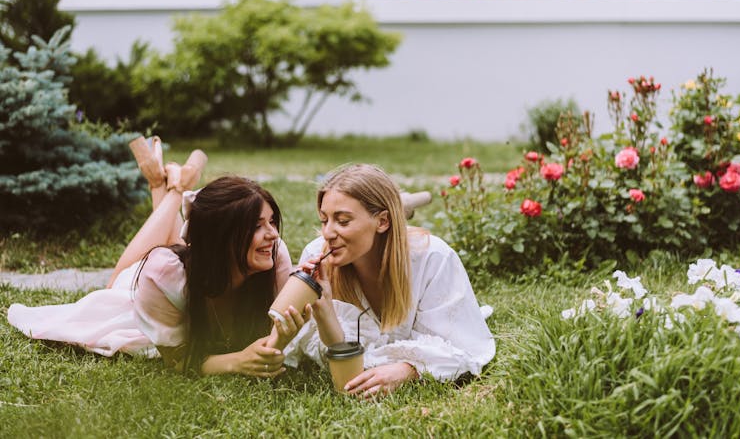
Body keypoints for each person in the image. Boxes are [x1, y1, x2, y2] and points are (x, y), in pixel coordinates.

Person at [7, 136, 307, 377]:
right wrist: (236, 361)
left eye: (271, 222)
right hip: (143, 293)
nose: (273, 234)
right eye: (257, 226)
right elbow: (177, 360)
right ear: (223, 236)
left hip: (203, 261)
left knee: (185, 248)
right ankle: (173, 187)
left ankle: (169, 180)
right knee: (115, 282)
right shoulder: (162, 275)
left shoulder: (274, 256)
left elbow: (277, 338)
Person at [287, 163, 495, 397]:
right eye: (324, 220)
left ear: (383, 221)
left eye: (343, 221)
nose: (328, 233)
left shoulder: (433, 258)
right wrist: (325, 314)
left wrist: (409, 370)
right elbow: (333, 357)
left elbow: (464, 349)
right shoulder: (317, 258)